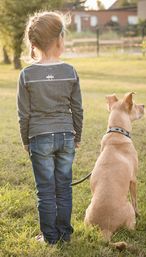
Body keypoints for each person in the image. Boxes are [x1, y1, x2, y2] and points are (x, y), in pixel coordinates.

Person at [17, 11, 83, 245]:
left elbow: (23, 114)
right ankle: (65, 235)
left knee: (45, 191)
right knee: (63, 188)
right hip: (66, 136)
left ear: (33, 44)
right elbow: (77, 108)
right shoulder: (70, 71)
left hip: (39, 138)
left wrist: (26, 139)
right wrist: (77, 136)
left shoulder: (27, 74)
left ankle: (50, 237)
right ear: (59, 40)